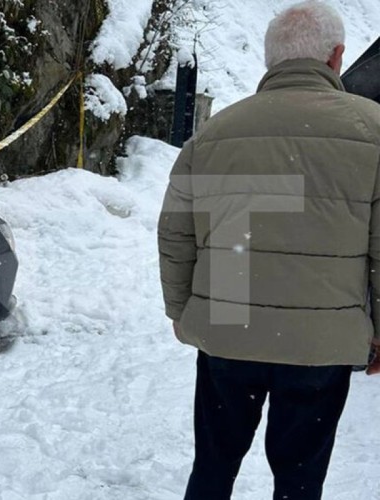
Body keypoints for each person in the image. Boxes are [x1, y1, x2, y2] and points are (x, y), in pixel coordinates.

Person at [157, 1, 380, 499]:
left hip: (228, 327)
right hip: (320, 342)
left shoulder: (214, 133)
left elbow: (176, 233)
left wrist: (180, 310)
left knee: (213, 467)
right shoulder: (373, 130)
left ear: (270, 60)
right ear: (337, 57)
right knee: (300, 478)